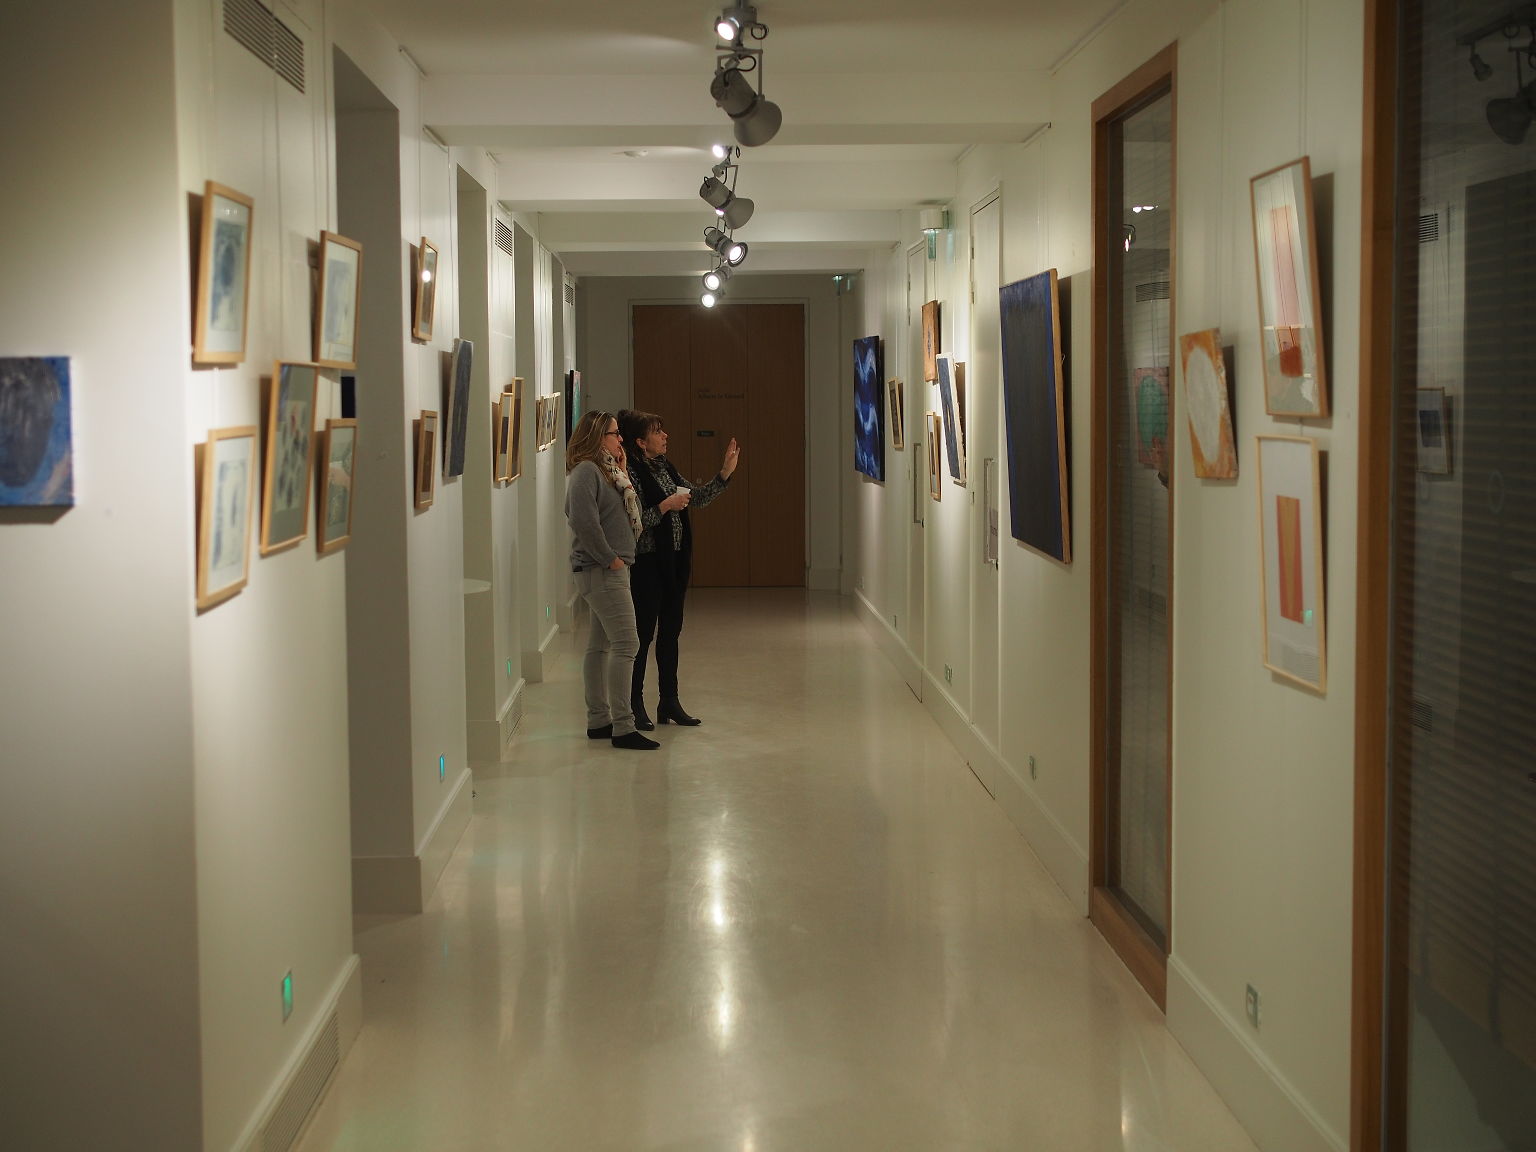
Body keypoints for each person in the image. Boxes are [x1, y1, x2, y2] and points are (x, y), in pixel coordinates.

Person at [617, 409, 740, 729]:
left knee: (670, 633)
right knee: (643, 636)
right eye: (658, 431)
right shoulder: (630, 473)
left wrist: (724, 474)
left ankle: (669, 700)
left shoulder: (665, 467)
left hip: (673, 563)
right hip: (648, 564)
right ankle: (634, 703)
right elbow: (635, 521)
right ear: (641, 442)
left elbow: (694, 498)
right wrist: (664, 506)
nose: (665, 436)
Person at [565, 410, 659, 750]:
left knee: (600, 645)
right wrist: (611, 559)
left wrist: (622, 470)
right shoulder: (586, 471)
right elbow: (583, 521)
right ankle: (623, 726)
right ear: (597, 437)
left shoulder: (608, 471)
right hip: (602, 570)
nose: (620, 439)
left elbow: (621, 512)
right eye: (614, 434)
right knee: (627, 644)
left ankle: (599, 720)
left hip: (610, 568)